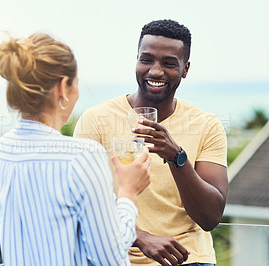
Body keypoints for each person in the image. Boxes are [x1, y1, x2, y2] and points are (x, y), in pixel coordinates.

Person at [0, 32, 152, 265]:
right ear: (63, 87)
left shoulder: (1, 151)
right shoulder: (82, 156)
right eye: (76, 83)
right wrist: (129, 192)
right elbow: (110, 257)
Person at [74, 19, 228, 266]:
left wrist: (177, 157)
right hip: (115, 255)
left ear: (185, 69)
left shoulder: (207, 125)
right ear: (136, 60)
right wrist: (139, 237)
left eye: (169, 63)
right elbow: (79, 202)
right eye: (146, 60)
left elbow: (210, 217)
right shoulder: (96, 119)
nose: (155, 71)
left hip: (187, 259)